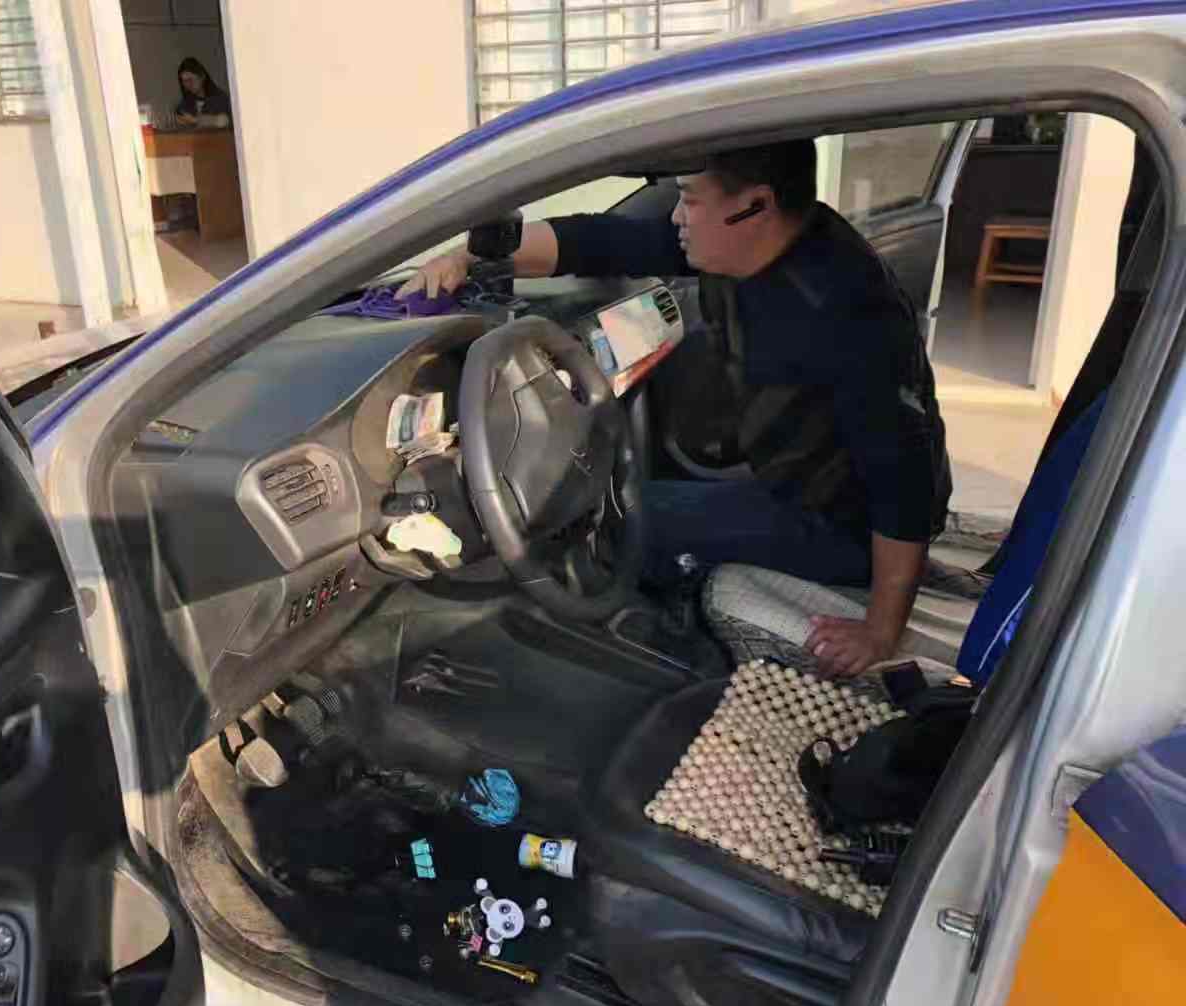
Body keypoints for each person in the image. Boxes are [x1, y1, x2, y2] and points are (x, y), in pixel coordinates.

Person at [396, 140, 950, 678]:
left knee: (620, 524)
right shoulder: (746, 242)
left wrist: (881, 629)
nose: (677, 217)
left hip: (844, 527)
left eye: (689, 199)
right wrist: (472, 256)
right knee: (631, 503)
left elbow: (905, 481)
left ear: (756, 203)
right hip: (800, 482)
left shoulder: (848, 314)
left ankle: (672, 656)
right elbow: (607, 240)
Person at [174, 57, 232, 129]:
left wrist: (195, 120)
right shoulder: (184, 104)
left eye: (190, 80)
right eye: (184, 81)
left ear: (202, 76)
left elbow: (225, 121)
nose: (188, 85)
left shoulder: (220, 98)